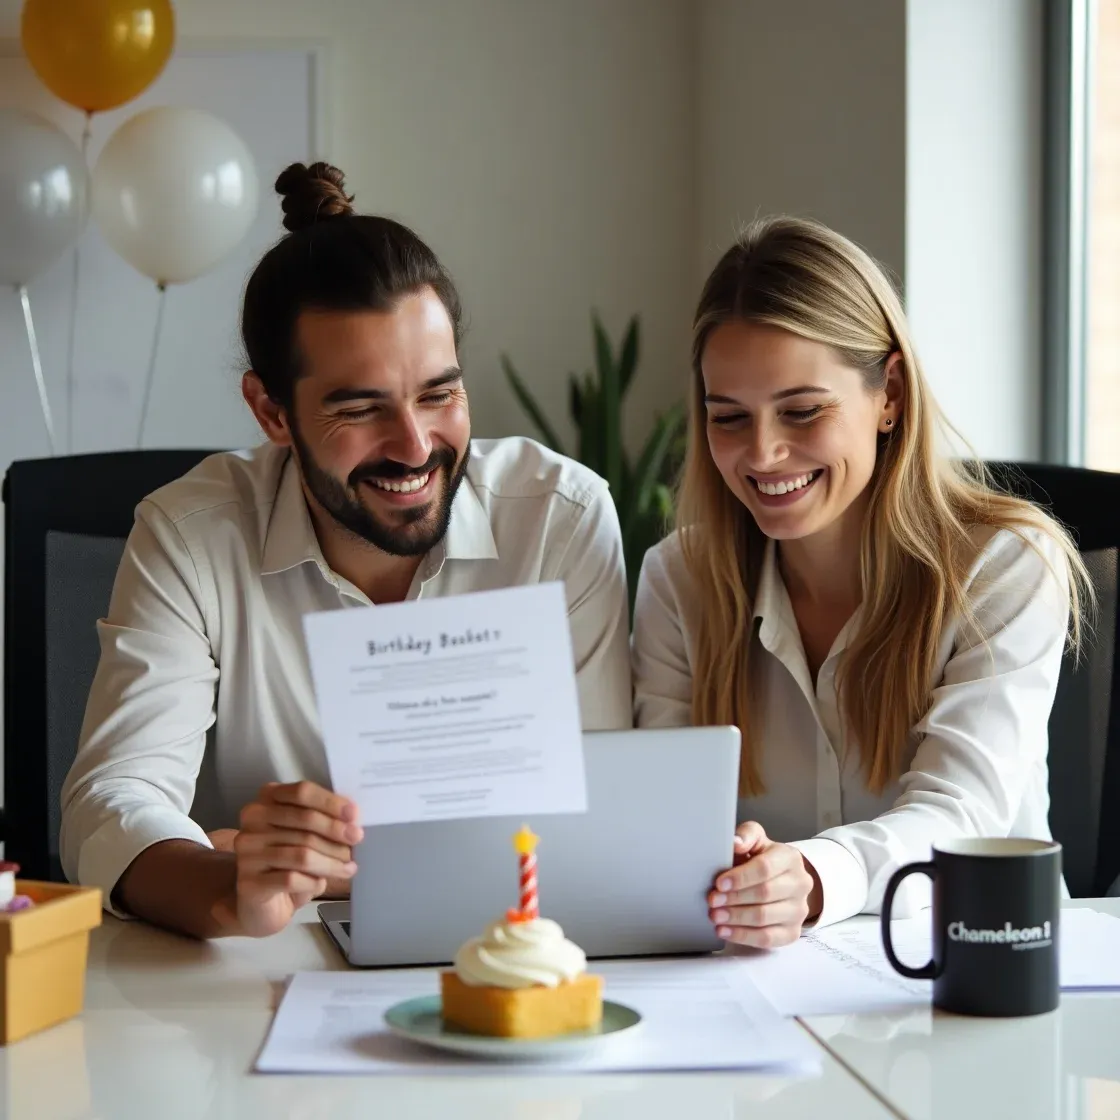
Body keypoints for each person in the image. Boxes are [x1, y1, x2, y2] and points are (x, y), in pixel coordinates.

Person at [61, 162, 633, 940]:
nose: (415, 446)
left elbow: (596, 806)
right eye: (361, 408)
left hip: (513, 946)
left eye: (440, 393)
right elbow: (110, 805)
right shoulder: (190, 535)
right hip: (258, 983)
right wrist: (231, 886)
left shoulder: (560, 518)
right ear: (270, 411)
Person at [631, 216, 1088, 949]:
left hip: (977, 972)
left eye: (802, 411)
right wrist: (729, 866)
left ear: (891, 395)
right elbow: (662, 820)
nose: (764, 453)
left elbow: (960, 818)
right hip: (758, 993)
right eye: (728, 418)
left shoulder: (1004, 567)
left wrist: (810, 877)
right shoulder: (679, 582)